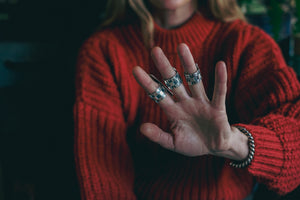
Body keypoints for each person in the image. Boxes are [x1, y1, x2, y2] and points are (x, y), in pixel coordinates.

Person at [73, 0, 300, 199]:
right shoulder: (103, 50)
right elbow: (103, 175)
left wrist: (233, 143)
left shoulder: (247, 43)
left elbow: (295, 156)